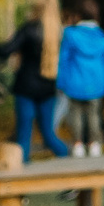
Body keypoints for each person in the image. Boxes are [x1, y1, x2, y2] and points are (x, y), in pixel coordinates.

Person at [5, 12, 70, 160]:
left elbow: (7, 49)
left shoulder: (29, 30)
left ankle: (22, 164)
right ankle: (67, 159)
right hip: (48, 88)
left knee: (24, 133)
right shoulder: (59, 32)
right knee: (48, 134)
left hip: (26, 87)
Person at [56, 0, 104, 158]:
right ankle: (94, 144)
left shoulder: (70, 35)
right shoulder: (102, 38)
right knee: (94, 114)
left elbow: (63, 60)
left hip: (74, 81)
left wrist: (61, 81)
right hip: (96, 82)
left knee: (75, 114)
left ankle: (78, 144)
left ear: (78, 15)